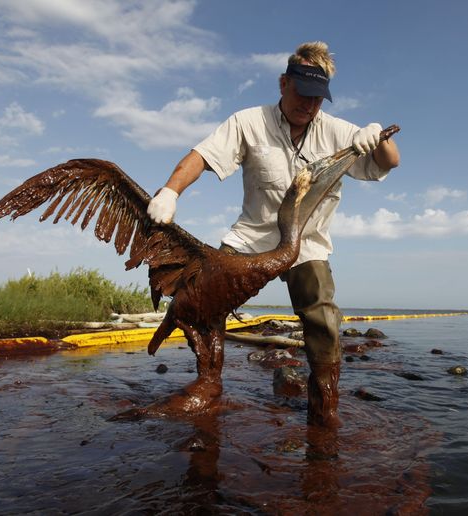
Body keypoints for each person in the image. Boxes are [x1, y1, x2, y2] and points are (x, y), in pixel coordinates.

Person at [147, 41, 400, 427]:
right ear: (284, 83)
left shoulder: (340, 132)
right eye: (303, 93)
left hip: (307, 242)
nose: (309, 105)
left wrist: (379, 139)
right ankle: (208, 384)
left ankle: (324, 407)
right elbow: (202, 155)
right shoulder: (248, 122)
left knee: (322, 317)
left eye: (318, 98)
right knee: (201, 298)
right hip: (252, 237)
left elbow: (390, 162)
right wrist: (170, 191)